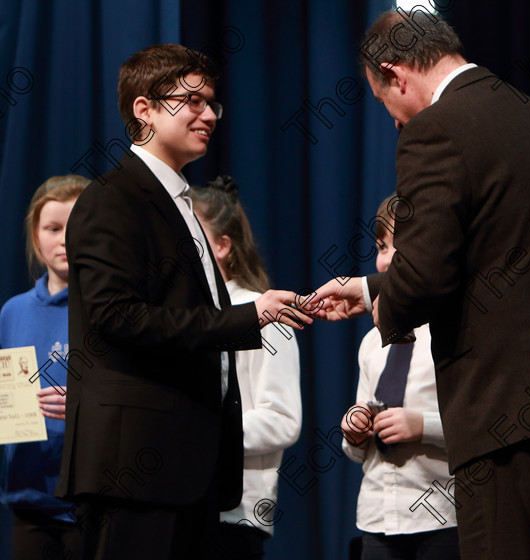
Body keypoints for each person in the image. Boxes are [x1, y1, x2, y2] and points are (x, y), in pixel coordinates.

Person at [312, 11, 530, 560]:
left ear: (395, 74)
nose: (395, 122)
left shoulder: (436, 129)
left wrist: (387, 304)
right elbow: (503, 259)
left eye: (383, 103)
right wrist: (372, 288)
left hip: (516, 417)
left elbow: (424, 277)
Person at [54, 43, 309, 560]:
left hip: (186, 473)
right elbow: (116, 318)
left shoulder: (183, 203)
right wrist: (246, 317)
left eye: (213, 102)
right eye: (191, 100)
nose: (208, 114)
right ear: (143, 110)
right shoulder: (113, 199)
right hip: (135, 468)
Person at [339, 194, 459, 560]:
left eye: (400, 246)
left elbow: (486, 427)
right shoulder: (372, 341)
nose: (387, 258)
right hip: (378, 516)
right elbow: (357, 452)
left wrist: (421, 425)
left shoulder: (454, 333)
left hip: (442, 517)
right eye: (381, 246)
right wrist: (354, 430)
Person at [191, 175, 302, 559]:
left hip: (237, 513)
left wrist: (201, 434)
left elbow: (282, 419)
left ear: (223, 246)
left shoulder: (264, 312)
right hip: (183, 501)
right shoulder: (184, 318)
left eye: (191, 233)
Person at [0, 175, 88, 559]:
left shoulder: (109, 311)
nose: (65, 239)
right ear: (36, 238)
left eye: (77, 227)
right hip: (29, 497)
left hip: (91, 500)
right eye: (53, 229)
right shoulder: (13, 311)